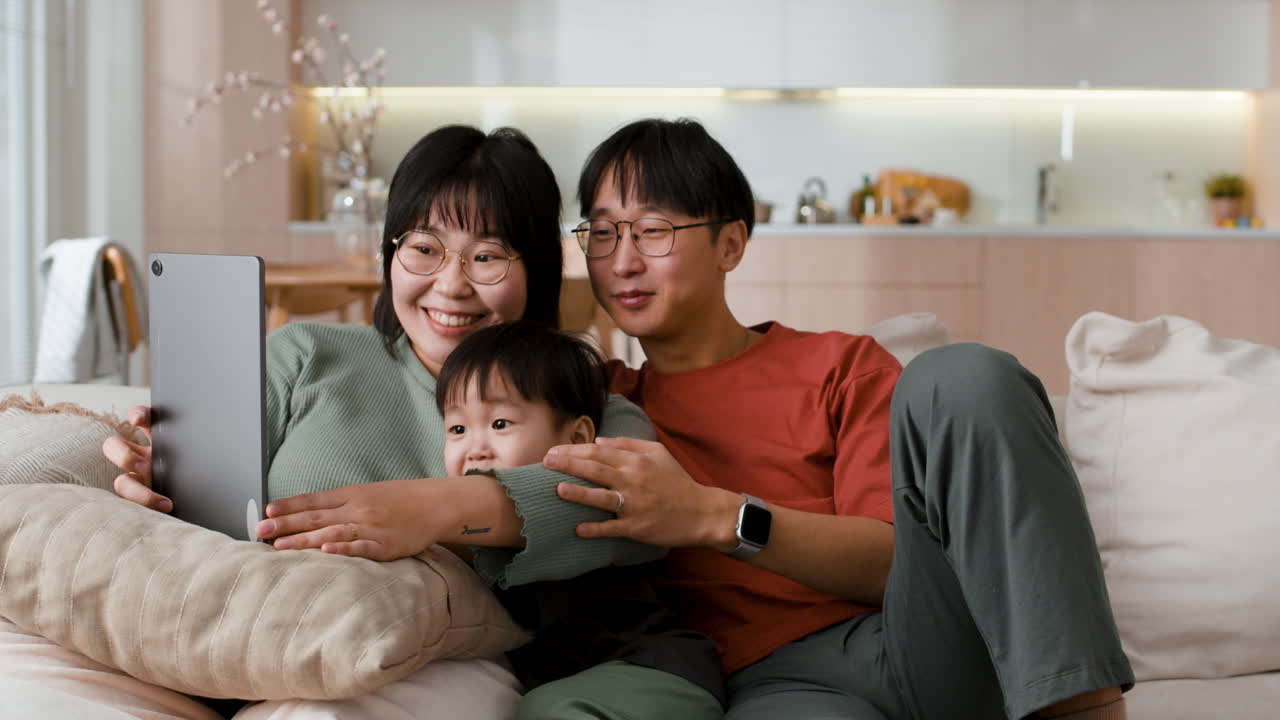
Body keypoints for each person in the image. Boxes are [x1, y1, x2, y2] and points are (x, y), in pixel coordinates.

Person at [532, 118, 1137, 720]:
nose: (623, 262)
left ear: (731, 244)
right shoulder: (598, 407)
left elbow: (887, 565)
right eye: (603, 234)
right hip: (772, 687)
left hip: (914, 640)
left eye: (654, 231)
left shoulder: (839, 367)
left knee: (962, 375)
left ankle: (1080, 704)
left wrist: (711, 516)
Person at [84, 124, 683, 719]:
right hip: (232, 632)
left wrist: (432, 510)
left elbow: (627, 507)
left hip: (426, 664)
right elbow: (200, 495)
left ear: (540, 270)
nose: (451, 285)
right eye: (424, 247)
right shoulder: (305, 354)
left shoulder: (583, 401)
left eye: (488, 256)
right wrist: (157, 473)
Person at [435, 321, 724, 718]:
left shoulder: (579, 502)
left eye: (500, 424)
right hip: (583, 684)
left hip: (661, 671)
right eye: (457, 428)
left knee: (550, 709)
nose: (474, 449)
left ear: (576, 439)